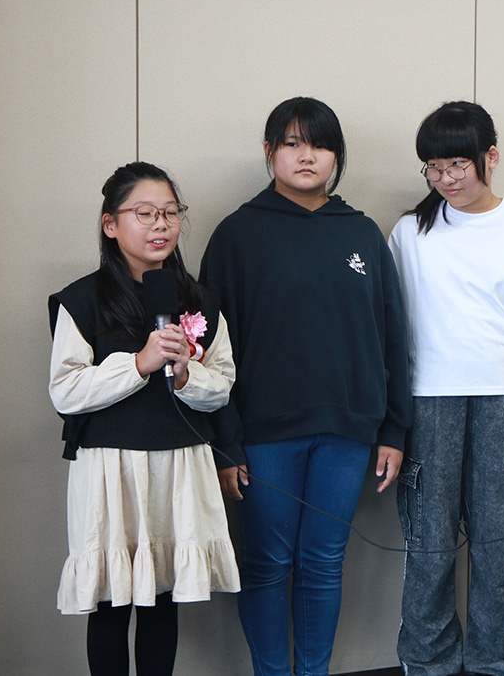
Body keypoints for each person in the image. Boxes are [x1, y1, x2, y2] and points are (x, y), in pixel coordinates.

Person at [198, 96, 411, 676]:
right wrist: (226, 442)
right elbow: (209, 349)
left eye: (319, 145)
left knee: (323, 563)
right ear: (270, 152)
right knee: (268, 563)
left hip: (348, 431)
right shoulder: (237, 234)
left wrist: (394, 430)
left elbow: (392, 337)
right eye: (292, 143)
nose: (306, 156)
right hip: (262, 434)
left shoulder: (362, 233)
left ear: (336, 156)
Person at [388, 101, 504, 676]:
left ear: (491, 156)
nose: (446, 179)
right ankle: (428, 664)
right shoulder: (409, 232)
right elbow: (390, 331)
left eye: (458, 165)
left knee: (497, 548)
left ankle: (495, 663)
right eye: (434, 168)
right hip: (426, 403)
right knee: (429, 548)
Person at [48, 162, 240, 675]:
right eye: (145, 213)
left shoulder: (199, 300)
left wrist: (185, 374)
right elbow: (65, 391)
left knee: (163, 599)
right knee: (111, 603)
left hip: (179, 465)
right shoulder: (81, 300)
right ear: (111, 224)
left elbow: (222, 386)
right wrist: (139, 363)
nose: (161, 225)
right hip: (110, 469)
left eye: (170, 213)